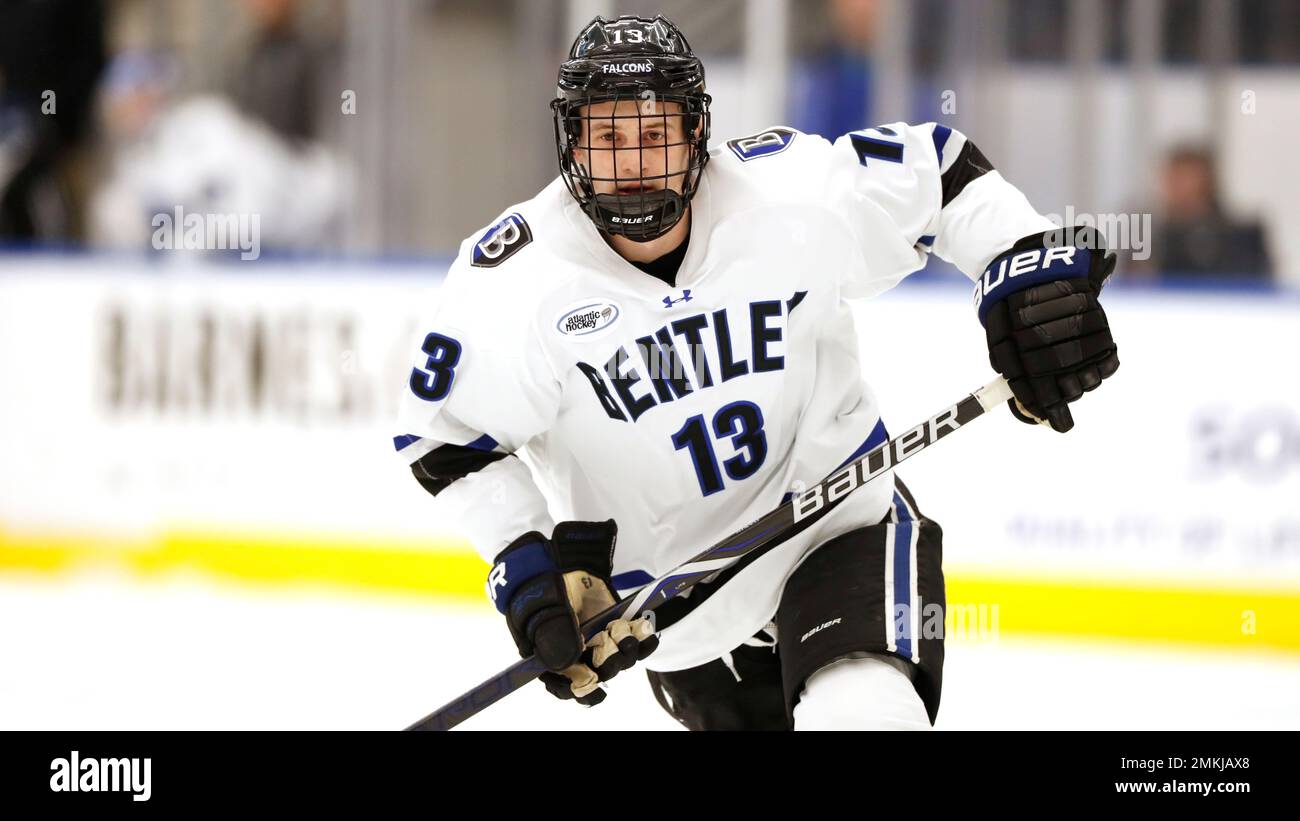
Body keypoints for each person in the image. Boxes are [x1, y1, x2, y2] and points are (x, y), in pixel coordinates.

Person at [393, 15, 1120, 730]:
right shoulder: (515, 281)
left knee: (864, 711)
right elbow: (447, 439)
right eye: (609, 137)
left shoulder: (788, 194)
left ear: (696, 133)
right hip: (674, 618)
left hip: (840, 527)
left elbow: (943, 174)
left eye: (655, 134)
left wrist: (1027, 272)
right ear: (572, 143)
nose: (635, 161)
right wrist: (525, 571)